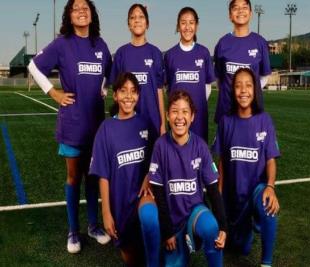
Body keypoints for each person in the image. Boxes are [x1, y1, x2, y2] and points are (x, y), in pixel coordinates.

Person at [27, 0, 112, 253]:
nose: (81, 11)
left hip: (96, 124)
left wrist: (104, 87)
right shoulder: (62, 44)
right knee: (74, 177)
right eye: (76, 8)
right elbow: (34, 66)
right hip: (73, 124)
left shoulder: (100, 44)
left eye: (85, 8)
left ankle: (93, 225)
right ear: (69, 15)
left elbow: (109, 69)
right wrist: (54, 94)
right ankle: (73, 231)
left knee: (93, 178)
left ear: (91, 14)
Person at [148, 90, 227, 267]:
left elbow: (213, 189)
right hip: (172, 222)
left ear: (192, 116)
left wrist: (223, 226)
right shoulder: (160, 146)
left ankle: (196, 237)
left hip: (194, 213)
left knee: (210, 228)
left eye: (185, 111)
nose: (179, 117)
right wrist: (167, 231)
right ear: (167, 116)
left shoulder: (200, 146)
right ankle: (183, 243)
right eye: (175, 111)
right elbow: (159, 196)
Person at [89, 72, 160, 266]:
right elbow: (102, 174)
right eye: (123, 91)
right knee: (131, 256)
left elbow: (159, 158)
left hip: (143, 198)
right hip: (120, 203)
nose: (128, 96)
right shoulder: (106, 128)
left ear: (138, 95)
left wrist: (148, 174)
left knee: (151, 236)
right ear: (115, 95)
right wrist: (106, 212)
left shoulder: (146, 123)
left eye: (133, 91)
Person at [212, 68, 280, 267]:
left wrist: (270, 186)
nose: (243, 90)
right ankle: (249, 226)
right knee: (239, 247)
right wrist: (219, 194)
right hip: (233, 198)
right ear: (232, 91)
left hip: (255, 191)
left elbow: (270, 159)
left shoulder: (264, 120)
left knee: (269, 205)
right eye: (238, 85)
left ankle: (266, 263)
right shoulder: (226, 121)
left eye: (248, 85)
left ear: (255, 90)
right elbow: (223, 162)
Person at [110, 3, 166, 147]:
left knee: (152, 167)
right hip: (127, 122)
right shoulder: (121, 53)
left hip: (152, 120)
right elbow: (116, 93)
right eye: (133, 17)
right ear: (128, 24)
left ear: (147, 24)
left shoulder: (155, 53)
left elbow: (159, 91)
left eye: (141, 17)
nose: (137, 20)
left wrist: (162, 124)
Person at [214, 0, 271, 124]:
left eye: (244, 7)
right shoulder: (222, 43)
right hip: (226, 111)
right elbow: (219, 80)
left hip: (252, 111)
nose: (240, 11)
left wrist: (247, 94)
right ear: (230, 15)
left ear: (250, 13)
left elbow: (264, 76)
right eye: (235, 8)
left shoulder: (260, 42)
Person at [164, 7, 215, 142]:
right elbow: (167, 89)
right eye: (183, 22)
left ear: (196, 26)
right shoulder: (170, 55)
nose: (187, 27)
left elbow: (208, 86)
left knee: (198, 155)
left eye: (191, 22)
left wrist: (196, 105)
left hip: (198, 116)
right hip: (177, 117)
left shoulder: (203, 53)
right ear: (178, 26)